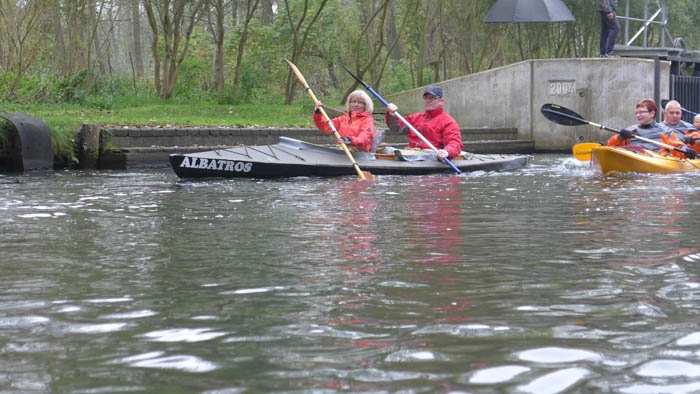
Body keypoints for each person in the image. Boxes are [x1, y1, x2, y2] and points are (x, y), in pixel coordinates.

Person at [384, 86, 463, 160]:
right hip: (412, 155)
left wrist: (447, 152)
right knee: (387, 150)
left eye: (431, 98)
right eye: (426, 98)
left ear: (441, 101)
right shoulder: (416, 117)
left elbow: (455, 142)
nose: (428, 101)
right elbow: (396, 128)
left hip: (432, 156)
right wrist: (391, 115)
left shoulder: (448, 121)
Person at [607, 98, 698, 159]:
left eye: (642, 112)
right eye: (637, 113)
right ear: (664, 114)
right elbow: (611, 145)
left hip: (653, 160)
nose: (639, 115)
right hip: (632, 156)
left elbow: (677, 146)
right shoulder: (631, 130)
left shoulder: (664, 131)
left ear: (652, 114)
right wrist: (620, 137)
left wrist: (687, 151)